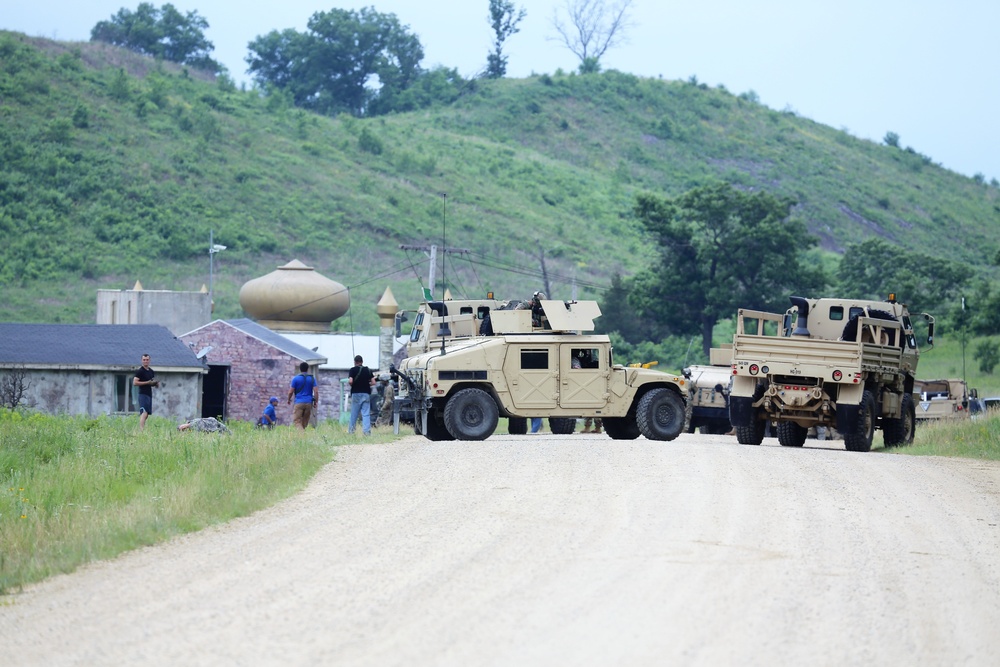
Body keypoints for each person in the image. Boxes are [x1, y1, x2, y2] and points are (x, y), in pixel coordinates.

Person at [348, 355, 376, 435]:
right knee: (366, 414)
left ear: (355, 362)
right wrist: (367, 385)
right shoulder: (368, 370)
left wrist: (353, 385)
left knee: (354, 414)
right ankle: (367, 432)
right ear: (362, 362)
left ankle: (351, 431)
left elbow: (350, 381)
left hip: (356, 394)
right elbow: (373, 382)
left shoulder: (352, 370)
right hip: (366, 394)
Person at [287, 362, 318, 430]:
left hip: (299, 402)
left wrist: (289, 399)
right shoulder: (312, 378)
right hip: (309, 403)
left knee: (297, 421)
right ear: (307, 369)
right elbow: (316, 391)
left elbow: (290, 392)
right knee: (304, 422)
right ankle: (302, 437)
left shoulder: (296, 379)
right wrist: (315, 402)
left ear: (300, 369)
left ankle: (301, 435)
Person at [133, 353, 158, 430]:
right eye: (144, 360)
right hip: (142, 394)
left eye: (147, 360)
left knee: (147, 414)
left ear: (149, 360)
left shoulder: (151, 371)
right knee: (144, 412)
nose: (145, 361)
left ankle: (142, 428)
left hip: (149, 394)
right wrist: (147, 382)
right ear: (142, 361)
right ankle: (141, 430)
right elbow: (135, 382)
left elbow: (152, 382)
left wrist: (155, 384)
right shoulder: (140, 371)